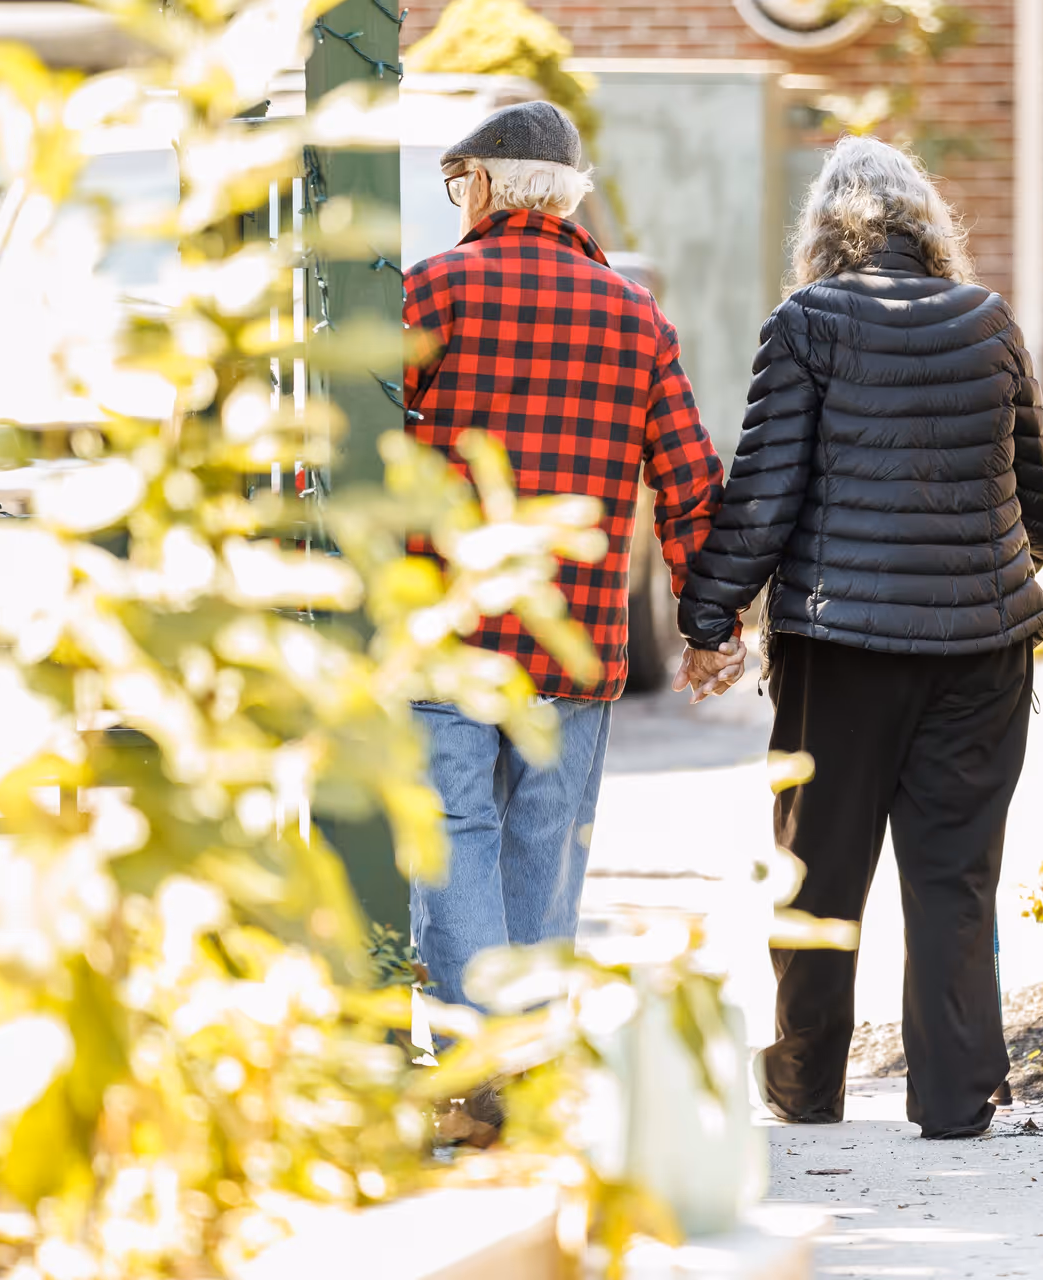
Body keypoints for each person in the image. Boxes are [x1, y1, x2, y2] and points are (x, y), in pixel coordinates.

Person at [677, 135, 1043, 1139]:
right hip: (981, 649)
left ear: (822, 228)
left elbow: (763, 496)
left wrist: (709, 614)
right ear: (924, 222)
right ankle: (955, 1095)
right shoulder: (988, 320)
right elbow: (1040, 498)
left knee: (821, 869)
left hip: (839, 650)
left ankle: (806, 1085)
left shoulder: (807, 322)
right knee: (954, 877)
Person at [402, 100, 746, 1012]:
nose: (454, 201)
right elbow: (689, 479)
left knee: (453, 829)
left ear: (483, 185)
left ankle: (481, 1053)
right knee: (545, 839)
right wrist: (710, 627)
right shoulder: (635, 315)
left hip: (450, 620)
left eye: (455, 184)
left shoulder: (433, 290)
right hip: (576, 637)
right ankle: (526, 1055)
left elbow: (360, 445)